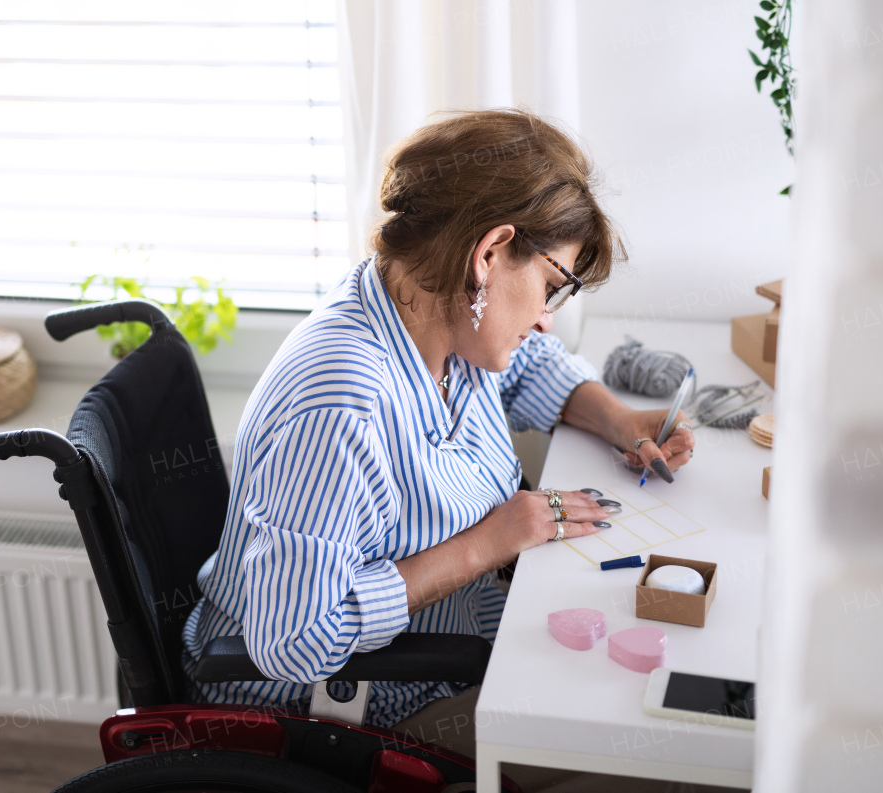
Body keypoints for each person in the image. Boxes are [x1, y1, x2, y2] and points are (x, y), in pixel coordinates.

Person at [182, 109, 698, 791]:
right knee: (662, 758)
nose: (547, 318)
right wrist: (486, 544)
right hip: (345, 713)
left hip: (445, 651)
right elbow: (294, 640)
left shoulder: (432, 313)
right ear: (489, 254)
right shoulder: (341, 406)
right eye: (551, 287)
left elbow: (526, 362)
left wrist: (620, 418)